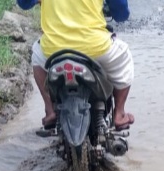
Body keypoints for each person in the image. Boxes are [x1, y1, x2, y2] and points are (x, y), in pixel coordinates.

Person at [17, 0, 134, 130]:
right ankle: (119, 114)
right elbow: (122, 14)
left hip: (54, 50)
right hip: (95, 48)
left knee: (37, 56)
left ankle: (50, 110)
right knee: (124, 55)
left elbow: (24, 4)